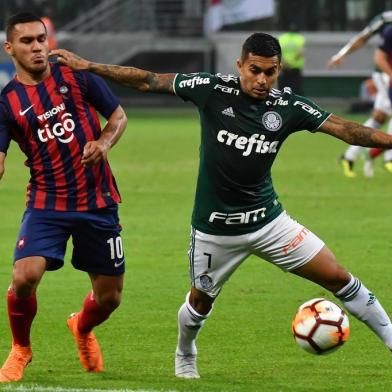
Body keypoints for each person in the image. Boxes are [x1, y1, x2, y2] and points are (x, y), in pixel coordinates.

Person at [52, 32, 392, 379]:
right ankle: (185, 351)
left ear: (279, 71)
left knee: (339, 277)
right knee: (200, 302)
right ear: (240, 65)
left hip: (269, 224)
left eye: (271, 72)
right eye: (255, 70)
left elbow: (346, 128)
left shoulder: (288, 107)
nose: (262, 80)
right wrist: (88, 66)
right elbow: (149, 80)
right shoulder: (212, 90)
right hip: (216, 231)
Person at [0, 13, 127, 383]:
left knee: (109, 299)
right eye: (27, 41)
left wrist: (103, 143)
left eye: (41, 39)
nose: (38, 47)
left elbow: (117, 116)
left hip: (97, 200)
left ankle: (81, 327)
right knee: (25, 276)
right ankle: (20, 349)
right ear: (10, 48)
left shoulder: (78, 76)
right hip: (46, 203)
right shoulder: (7, 103)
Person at [327, 11, 392, 178]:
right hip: (386, 73)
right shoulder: (385, 19)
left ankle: (349, 157)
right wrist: (341, 54)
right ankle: (388, 159)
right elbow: (363, 38)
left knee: (379, 117)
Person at [278, 23, 305, 95]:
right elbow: (300, 53)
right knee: (296, 88)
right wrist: (292, 62)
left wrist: (285, 63)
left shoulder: (282, 38)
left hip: (284, 67)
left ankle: (282, 103)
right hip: (295, 67)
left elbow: (278, 52)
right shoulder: (299, 38)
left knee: (283, 88)